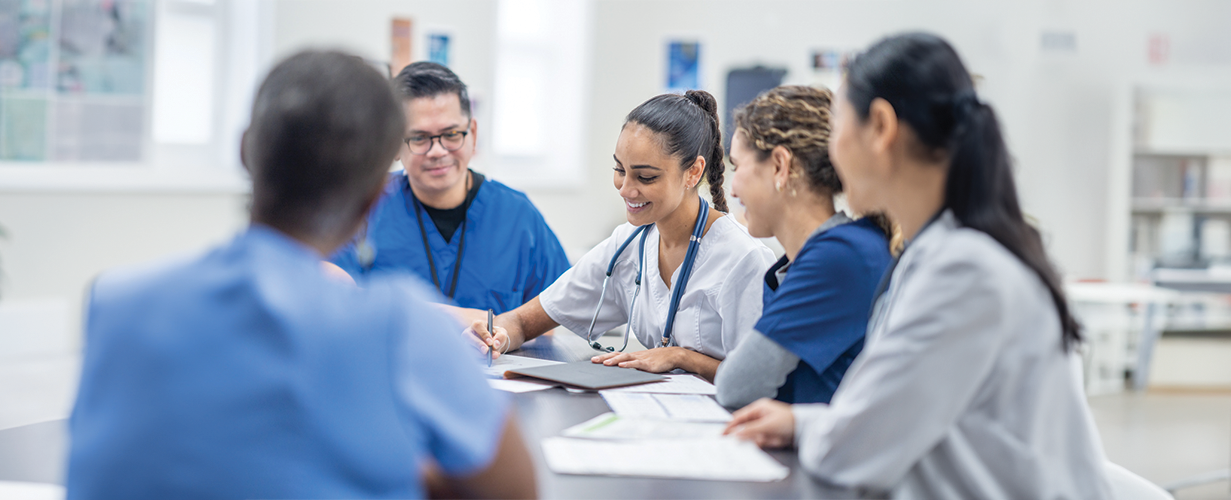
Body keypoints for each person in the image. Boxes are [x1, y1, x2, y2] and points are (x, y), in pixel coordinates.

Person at [66, 50, 536, 500]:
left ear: (246, 152)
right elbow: (515, 491)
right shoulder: (404, 327)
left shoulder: (117, 303)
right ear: (380, 192)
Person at [723, 33, 1112, 499]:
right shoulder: (937, 255)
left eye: (838, 125)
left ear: (881, 127)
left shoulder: (966, 271)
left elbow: (857, 449)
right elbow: (878, 416)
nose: (831, 152)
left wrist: (806, 427)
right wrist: (803, 423)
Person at [475, 91, 775, 382]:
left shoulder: (743, 259)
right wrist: (497, 336)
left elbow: (758, 380)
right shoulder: (628, 243)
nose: (625, 189)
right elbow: (522, 321)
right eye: (620, 169)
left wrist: (682, 357)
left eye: (646, 177)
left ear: (694, 172)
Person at [330, 61, 570, 317]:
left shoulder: (518, 218)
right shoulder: (365, 206)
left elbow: (561, 312)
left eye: (452, 134)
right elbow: (329, 288)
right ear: (395, 143)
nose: (437, 151)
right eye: (419, 138)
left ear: (473, 133)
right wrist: (464, 318)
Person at [714, 85, 893, 408]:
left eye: (737, 167)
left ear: (780, 165)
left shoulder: (841, 255)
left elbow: (735, 386)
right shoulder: (822, 254)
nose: (734, 186)